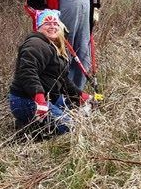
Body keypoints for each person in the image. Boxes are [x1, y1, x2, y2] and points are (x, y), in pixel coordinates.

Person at [8, 9, 91, 139]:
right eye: (47, 23)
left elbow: (61, 79)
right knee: (68, 126)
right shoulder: (36, 44)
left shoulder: (52, 46)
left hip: (48, 97)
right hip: (26, 100)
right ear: (39, 27)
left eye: (55, 23)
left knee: (79, 116)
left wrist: (82, 96)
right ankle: (27, 131)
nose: (52, 26)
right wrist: (40, 102)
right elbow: (27, 72)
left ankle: (34, 122)